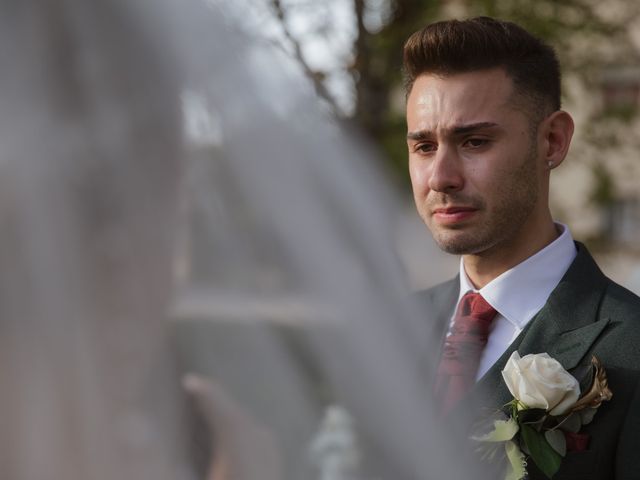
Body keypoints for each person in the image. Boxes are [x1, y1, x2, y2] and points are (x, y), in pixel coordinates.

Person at [404, 16, 640, 480]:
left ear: (552, 141)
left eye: (474, 141)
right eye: (424, 147)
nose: (441, 177)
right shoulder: (387, 326)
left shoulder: (632, 348)